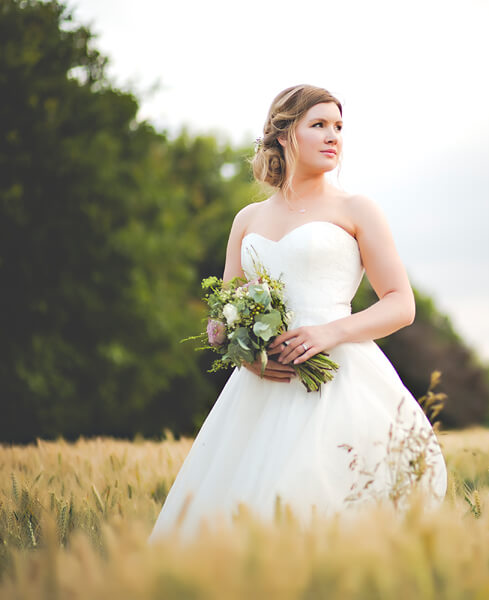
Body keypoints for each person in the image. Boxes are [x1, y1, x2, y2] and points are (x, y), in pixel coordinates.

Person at [148, 85, 447, 543]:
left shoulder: (356, 208)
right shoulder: (246, 219)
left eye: (339, 127)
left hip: (339, 377)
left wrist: (331, 332)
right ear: (286, 135)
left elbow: (400, 303)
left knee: (328, 505)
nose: (334, 137)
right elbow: (221, 315)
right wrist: (243, 352)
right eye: (320, 125)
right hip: (262, 386)